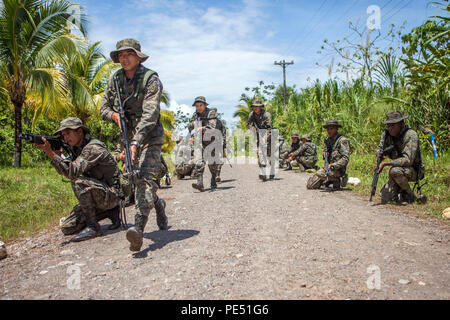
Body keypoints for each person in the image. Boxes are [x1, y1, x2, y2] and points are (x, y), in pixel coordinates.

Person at [100, 38, 168, 252]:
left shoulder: (151, 79)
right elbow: (103, 108)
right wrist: (113, 115)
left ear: (138, 56)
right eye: (120, 55)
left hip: (149, 137)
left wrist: (136, 143)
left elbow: (150, 114)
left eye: (128, 54)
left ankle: (138, 229)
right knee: (134, 179)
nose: (124, 58)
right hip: (128, 137)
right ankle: (158, 203)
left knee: (145, 178)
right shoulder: (115, 79)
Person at [34, 117, 121, 242]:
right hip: (100, 194)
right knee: (67, 227)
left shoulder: (93, 148)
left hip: (113, 194)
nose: (66, 138)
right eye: (63, 135)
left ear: (79, 131)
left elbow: (72, 172)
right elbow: (65, 170)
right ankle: (109, 212)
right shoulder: (77, 149)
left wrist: (51, 154)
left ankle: (93, 227)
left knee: (78, 183)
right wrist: (57, 156)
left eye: (68, 133)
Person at [376, 111, 425, 205]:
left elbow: (408, 160)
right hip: (399, 169)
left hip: (414, 170)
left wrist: (386, 163)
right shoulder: (387, 134)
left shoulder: (411, 135)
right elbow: (379, 148)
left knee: (394, 171)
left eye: (393, 126)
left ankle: (409, 194)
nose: (390, 129)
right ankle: (400, 190)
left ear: (402, 124)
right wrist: (379, 155)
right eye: (388, 126)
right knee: (385, 197)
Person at [188, 96, 223, 191]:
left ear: (205, 105)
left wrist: (202, 128)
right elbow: (189, 126)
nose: (198, 107)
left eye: (200, 105)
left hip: (212, 140)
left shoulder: (211, 113)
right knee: (199, 162)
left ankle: (213, 180)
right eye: (196, 106)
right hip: (200, 141)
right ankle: (200, 183)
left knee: (212, 164)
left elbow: (213, 127)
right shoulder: (195, 115)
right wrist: (193, 125)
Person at [307, 119, 350, 190]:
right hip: (329, 168)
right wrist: (325, 153)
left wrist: (333, 165)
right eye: (328, 129)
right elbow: (327, 150)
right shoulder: (328, 140)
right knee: (310, 185)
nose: (329, 131)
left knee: (320, 173)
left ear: (336, 129)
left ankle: (336, 180)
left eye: (331, 129)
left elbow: (345, 159)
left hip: (338, 169)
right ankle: (330, 180)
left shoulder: (342, 141)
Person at [248, 99, 275, 181]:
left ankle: (272, 171)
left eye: (257, 107)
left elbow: (269, 128)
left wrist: (265, 138)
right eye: (254, 107)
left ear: (260, 107)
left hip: (268, 134)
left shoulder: (266, 114)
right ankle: (263, 172)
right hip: (258, 135)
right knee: (260, 154)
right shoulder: (251, 115)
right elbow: (249, 124)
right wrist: (253, 129)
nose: (255, 108)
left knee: (270, 155)